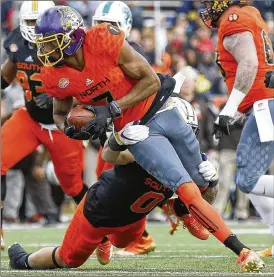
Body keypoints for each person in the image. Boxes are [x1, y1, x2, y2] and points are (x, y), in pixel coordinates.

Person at [35, 6, 265, 272]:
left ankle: (182, 211)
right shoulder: (54, 73)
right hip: (134, 129)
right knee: (142, 179)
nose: (46, 52)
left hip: (160, 108)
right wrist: (71, 130)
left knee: (204, 183)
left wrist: (110, 109)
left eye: (52, 44)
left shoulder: (102, 40)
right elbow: (61, 115)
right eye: (43, 45)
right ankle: (240, 249)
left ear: (73, 37)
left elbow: (152, 82)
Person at [8, 101, 257, 270]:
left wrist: (211, 182)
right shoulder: (145, 149)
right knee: (68, 259)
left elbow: (201, 203)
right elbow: (110, 156)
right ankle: (24, 260)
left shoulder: (194, 161)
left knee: (121, 243)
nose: (184, 142)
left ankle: (106, 239)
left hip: (135, 221)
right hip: (99, 211)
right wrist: (118, 140)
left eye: (188, 134)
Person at [91, 1, 203, 257]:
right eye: (99, 24)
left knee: (133, 181)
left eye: (111, 26)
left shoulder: (130, 51)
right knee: (114, 180)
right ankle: (168, 213)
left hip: (133, 129)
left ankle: (174, 214)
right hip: (111, 128)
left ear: (125, 28)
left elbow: (146, 91)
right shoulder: (90, 53)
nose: (103, 31)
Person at [0, 1, 87, 250]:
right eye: (29, 23)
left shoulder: (67, 46)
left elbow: (87, 83)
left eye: (38, 23)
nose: (33, 29)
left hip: (62, 124)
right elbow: (7, 75)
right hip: (29, 118)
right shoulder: (17, 42)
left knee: (73, 186)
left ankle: (100, 234)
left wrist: (59, 93)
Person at [199, 0, 274, 257]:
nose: (207, 7)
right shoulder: (249, 13)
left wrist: (229, 109)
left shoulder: (233, 18)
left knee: (247, 179)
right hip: (263, 104)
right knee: (249, 178)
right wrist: (236, 111)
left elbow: (250, 65)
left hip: (267, 106)